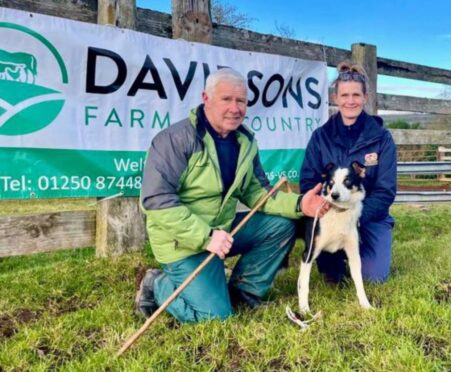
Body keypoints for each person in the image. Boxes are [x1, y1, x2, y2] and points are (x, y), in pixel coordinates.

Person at [136, 68, 328, 323]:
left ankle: (243, 294)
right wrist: (205, 237)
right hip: (181, 242)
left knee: (281, 226)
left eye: (241, 101)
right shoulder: (175, 139)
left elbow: (257, 192)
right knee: (215, 318)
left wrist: (299, 203)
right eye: (226, 99)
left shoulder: (245, 142)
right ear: (206, 98)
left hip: (222, 231)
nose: (235, 108)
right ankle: (157, 284)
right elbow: (156, 201)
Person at [300, 61, 397, 284]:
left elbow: (385, 190)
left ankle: (360, 250)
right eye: (344, 95)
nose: (350, 101)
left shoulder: (382, 138)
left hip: (368, 217)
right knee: (333, 277)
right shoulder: (320, 137)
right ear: (335, 98)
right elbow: (309, 182)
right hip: (329, 215)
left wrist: (357, 217)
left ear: (365, 97)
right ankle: (329, 259)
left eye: (356, 95)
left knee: (373, 277)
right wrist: (325, 210)